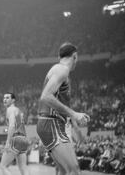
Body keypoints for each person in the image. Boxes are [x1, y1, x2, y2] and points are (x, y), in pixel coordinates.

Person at [37, 42, 90, 175]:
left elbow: (59, 103)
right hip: (52, 123)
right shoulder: (62, 70)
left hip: (52, 124)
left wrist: (76, 125)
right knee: (73, 170)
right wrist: (74, 113)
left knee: (64, 171)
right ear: (75, 56)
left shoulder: (58, 70)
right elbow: (45, 96)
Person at [0, 93, 30, 175]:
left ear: (13, 100)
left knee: (3, 166)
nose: (5, 99)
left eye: (7, 98)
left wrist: (8, 142)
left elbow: (12, 125)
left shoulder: (10, 109)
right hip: (24, 139)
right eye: (4, 97)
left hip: (15, 138)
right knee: (23, 167)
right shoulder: (18, 110)